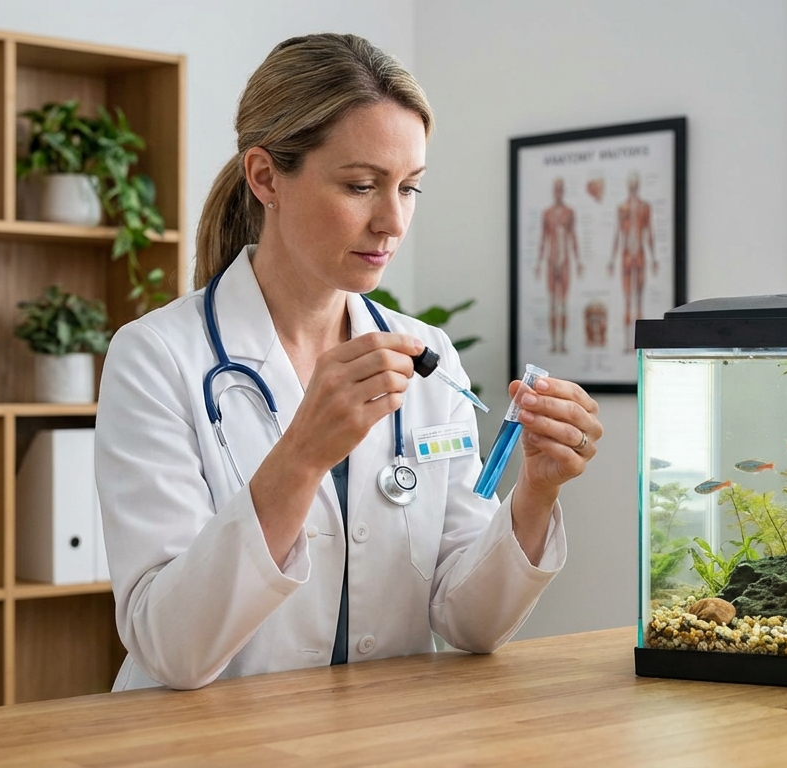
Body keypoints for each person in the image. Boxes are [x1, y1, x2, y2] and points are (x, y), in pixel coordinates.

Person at [94, 34, 604, 692]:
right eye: (361, 185)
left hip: (375, 742)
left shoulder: (428, 358)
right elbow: (171, 648)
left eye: (410, 188)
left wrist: (536, 493)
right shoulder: (156, 358)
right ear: (266, 176)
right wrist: (302, 456)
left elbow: (469, 622)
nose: (392, 221)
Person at [607, 171, 657, 351]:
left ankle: (637, 346)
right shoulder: (623, 208)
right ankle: (628, 343)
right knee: (629, 300)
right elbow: (618, 235)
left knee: (638, 300)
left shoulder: (644, 207)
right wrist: (612, 259)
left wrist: (653, 258)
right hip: (628, 253)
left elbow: (649, 232)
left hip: (639, 253)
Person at [534, 178, 582, 354]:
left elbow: (573, 237)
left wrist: (578, 261)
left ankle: (562, 343)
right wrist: (539, 263)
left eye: (561, 188)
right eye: (557, 188)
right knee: (553, 304)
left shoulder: (569, 213)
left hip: (565, 262)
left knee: (563, 303)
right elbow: (543, 239)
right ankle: (554, 343)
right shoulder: (547, 213)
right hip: (551, 260)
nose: (559, 191)